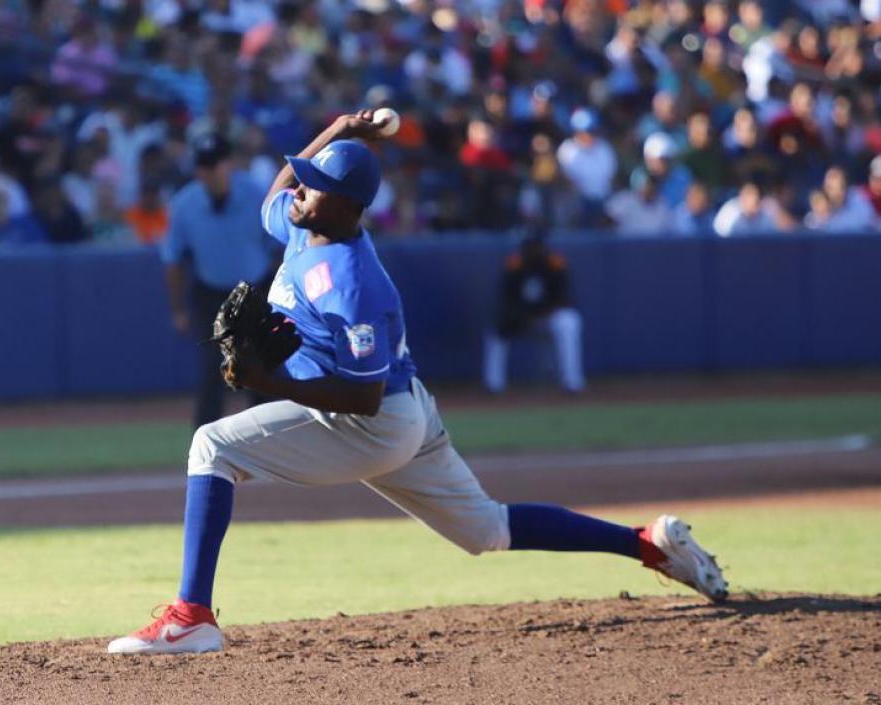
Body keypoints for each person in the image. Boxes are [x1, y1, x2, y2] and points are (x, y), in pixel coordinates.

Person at [107, 111, 728, 656]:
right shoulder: (304, 222)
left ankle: (191, 618)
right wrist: (342, 130)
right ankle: (651, 546)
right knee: (488, 529)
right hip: (405, 415)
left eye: (316, 184)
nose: (300, 189)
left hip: (370, 421)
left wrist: (270, 381)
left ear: (347, 207)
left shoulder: (356, 283)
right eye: (306, 177)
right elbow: (277, 189)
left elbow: (362, 397)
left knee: (212, 447)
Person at [160, 133, 279, 428]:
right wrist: (177, 309)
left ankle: (268, 444)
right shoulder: (185, 203)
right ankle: (203, 448)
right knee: (213, 371)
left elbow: (278, 249)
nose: (209, 172)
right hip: (211, 293)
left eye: (215, 164)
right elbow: (173, 259)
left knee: (259, 369)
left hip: (255, 288)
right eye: (203, 166)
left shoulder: (256, 194)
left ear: (230, 164)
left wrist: (278, 299)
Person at [482, 234, 586, 395]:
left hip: (548, 317)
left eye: (536, 248)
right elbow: (505, 301)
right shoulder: (515, 265)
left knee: (569, 322)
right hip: (522, 318)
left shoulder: (554, 264)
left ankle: (572, 383)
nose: (533, 252)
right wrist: (520, 317)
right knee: (496, 330)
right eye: (529, 249)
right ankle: (494, 385)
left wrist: (542, 315)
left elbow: (564, 299)